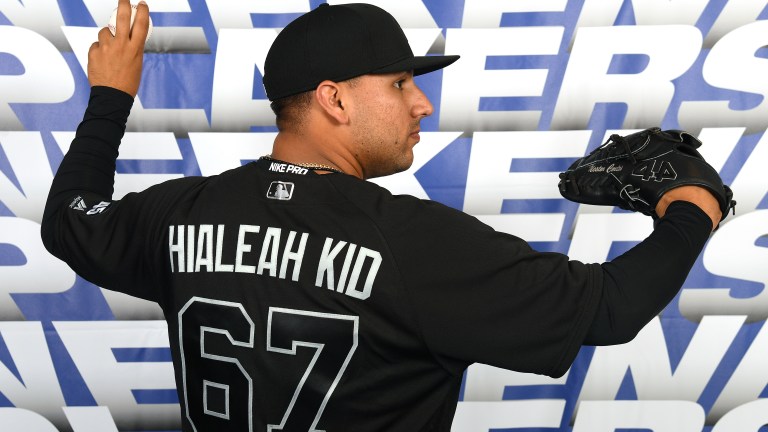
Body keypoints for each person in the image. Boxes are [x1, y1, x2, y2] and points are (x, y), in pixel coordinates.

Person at [42, 1, 723, 431]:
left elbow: (68, 222)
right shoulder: (413, 244)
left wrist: (109, 97)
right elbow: (607, 309)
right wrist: (693, 206)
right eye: (400, 83)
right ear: (334, 99)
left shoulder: (179, 214)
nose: (421, 104)